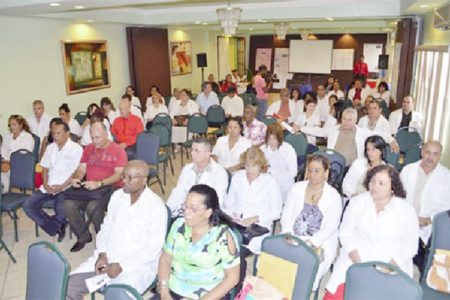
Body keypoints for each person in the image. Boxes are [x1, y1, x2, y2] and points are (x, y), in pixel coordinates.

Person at [66, 160, 167, 299]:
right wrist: (102, 253)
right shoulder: (117, 196)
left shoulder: (156, 207)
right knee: (69, 287)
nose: (124, 181)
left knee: (117, 296)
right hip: (107, 259)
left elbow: (153, 249)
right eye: (123, 176)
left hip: (136, 267)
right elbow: (105, 228)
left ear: (144, 180)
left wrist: (122, 266)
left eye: (130, 178)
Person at [324, 165, 419, 300]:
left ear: (393, 188)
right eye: (373, 181)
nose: (375, 186)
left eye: (381, 183)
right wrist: (358, 262)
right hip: (356, 257)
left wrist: (388, 267)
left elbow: (409, 247)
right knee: (340, 291)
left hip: (391, 262)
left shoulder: (406, 211)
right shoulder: (357, 202)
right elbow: (345, 233)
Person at [154, 184, 240, 300]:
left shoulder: (223, 236)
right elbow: (166, 258)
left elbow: (232, 278)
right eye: (185, 207)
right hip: (174, 290)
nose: (186, 213)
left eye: (193, 209)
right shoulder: (178, 225)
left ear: (208, 212)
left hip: (208, 295)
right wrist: (164, 292)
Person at [63, 122, 127, 252]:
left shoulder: (118, 150)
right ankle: (84, 236)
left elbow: (119, 175)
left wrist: (99, 183)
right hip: (90, 188)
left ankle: (103, 237)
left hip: (110, 187)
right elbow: (81, 169)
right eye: (92, 138)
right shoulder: (88, 149)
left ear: (106, 134)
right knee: (68, 204)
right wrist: (77, 178)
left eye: (98, 137)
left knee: (92, 208)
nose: (95, 141)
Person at [281, 155, 342, 290]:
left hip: (318, 241)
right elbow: (286, 214)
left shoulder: (333, 196)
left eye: (317, 171)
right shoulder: (297, 188)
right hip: (292, 236)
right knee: (277, 259)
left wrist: (312, 242)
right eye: (309, 170)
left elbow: (331, 226)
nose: (312, 175)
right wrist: (287, 233)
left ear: (326, 173)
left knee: (306, 267)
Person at [23, 120, 82, 242]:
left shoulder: (76, 149)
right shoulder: (50, 148)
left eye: (58, 133)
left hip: (66, 187)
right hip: (48, 186)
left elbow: (76, 173)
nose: (55, 136)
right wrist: (45, 183)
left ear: (67, 134)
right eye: (53, 133)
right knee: (28, 205)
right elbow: (44, 167)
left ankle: (55, 225)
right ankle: (57, 226)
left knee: (60, 209)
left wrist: (61, 187)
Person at [400, 140, 450, 273]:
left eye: (435, 154)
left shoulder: (446, 176)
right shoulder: (408, 170)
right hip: (406, 222)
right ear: (422, 152)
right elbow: (399, 198)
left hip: (431, 227)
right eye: (428, 152)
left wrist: (428, 220)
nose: (430, 157)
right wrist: (409, 218)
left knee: (427, 265)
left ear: (440, 156)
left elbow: (447, 206)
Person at [223, 146, 282, 255]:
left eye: (254, 166)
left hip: (258, 227)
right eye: (247, 165)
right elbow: (229, 202)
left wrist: (255, 218)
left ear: (261, 165)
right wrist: (233, 214)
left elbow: (277, 212)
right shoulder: (238, 177)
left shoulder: (270, 182)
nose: (250, 170)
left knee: (235, 252)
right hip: (237, 223)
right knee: (218, 246)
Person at [166, 137, 228, 217]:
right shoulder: (187, 169)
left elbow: (218, 200)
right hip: (186, 211)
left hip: (208, 215)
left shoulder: (219, 172)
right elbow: (178, 191)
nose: (192, 153)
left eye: (196, 151)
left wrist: (194, 212)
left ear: (208, 153)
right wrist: (168, 210)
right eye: (192, 150)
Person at [260, 123, 297, 201]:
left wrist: (274, 175)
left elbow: (293, 172)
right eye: (269, 138)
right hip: (266, 181)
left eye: (275, 139)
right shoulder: (262, 149)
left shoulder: (288, 149)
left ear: (280, 138)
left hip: (284, 182)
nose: (271, 142)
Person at [1, 115, 35, 191]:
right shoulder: (7, 137)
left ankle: (5, 192)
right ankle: (4, 192)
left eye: (14, 124)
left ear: (20, 125)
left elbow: (26, 155)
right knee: (3, 173)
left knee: (4, 174)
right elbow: (3, 152)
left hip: (21, 165)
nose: (12, 127)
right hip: (7, 164)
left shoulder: (28, 137)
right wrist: (5, 161)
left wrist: (10, 163)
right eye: (10, 125)